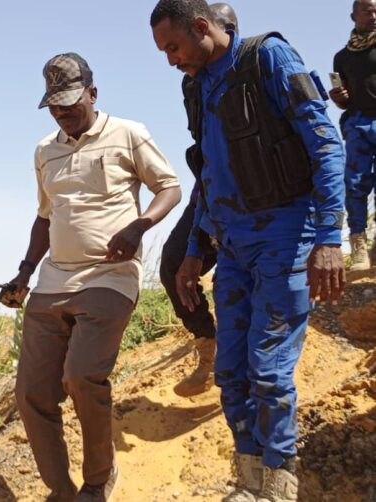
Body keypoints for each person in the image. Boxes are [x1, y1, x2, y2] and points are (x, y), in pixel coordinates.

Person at [151, 1, 346, 500]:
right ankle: (250, 480)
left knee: (269, 368)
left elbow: (326, 144)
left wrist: (329, 237)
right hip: (232, 246)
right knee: (231, 371)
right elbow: (208, 174)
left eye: (173, 46)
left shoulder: (268, 58)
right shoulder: (196, 87)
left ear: (201, 27)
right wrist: (194, 248)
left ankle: (279, 483)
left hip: (285, 235)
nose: (171, 59)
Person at [4, 53, 180, 501]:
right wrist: (24, 273)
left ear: (93, 94)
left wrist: (139, 227)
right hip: (53, 280)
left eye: (70, 103)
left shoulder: (128, 134)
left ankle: (99, 479)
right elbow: (45, 217)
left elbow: (170, 187)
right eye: (54, 105)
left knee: (82, 376)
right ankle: (62, 490)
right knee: (31, 394)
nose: (62, 112)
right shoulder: (44, 151)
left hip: (110, 276)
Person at [160, 1, 239, 398]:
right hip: (208, 190)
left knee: (236, 286)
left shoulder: (253, 68)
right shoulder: (191, 84)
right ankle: (208, 350)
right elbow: (203, 147)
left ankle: (245, 376)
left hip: (258, 198)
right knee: (174, 263)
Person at [330, 0, 376, 271]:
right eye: (368, 10)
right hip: (357, 123)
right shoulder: (342, 57)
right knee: (355, 184)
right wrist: (339, 97)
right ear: (353, 16)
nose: (374, 15)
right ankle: (359, 245)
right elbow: (343, 99)